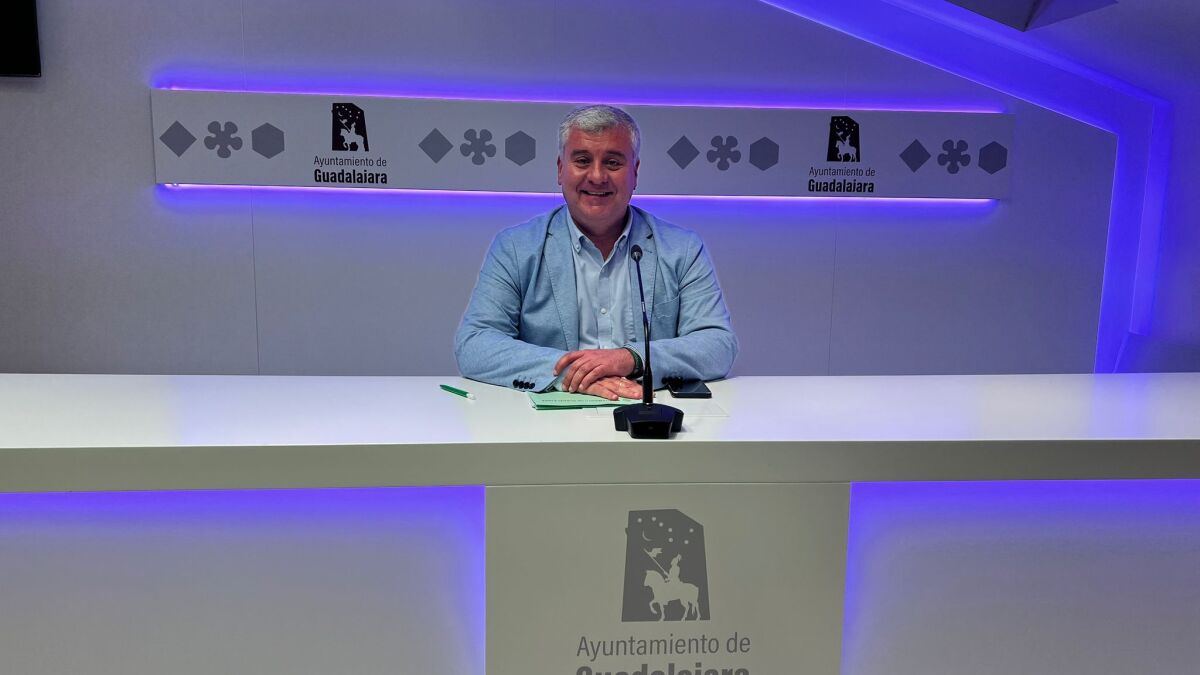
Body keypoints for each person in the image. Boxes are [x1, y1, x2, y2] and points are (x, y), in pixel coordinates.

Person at [454, 104, 737, 400]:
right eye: (582, 160)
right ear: (561, 169)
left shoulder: (682, 248)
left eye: (613, 163)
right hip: (550, 415)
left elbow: (718, 344)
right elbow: (474, 344)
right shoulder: (515, 247)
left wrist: (631, 358)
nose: (598, 176)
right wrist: (571, 373)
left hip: (649, 408)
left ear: (635, 172)